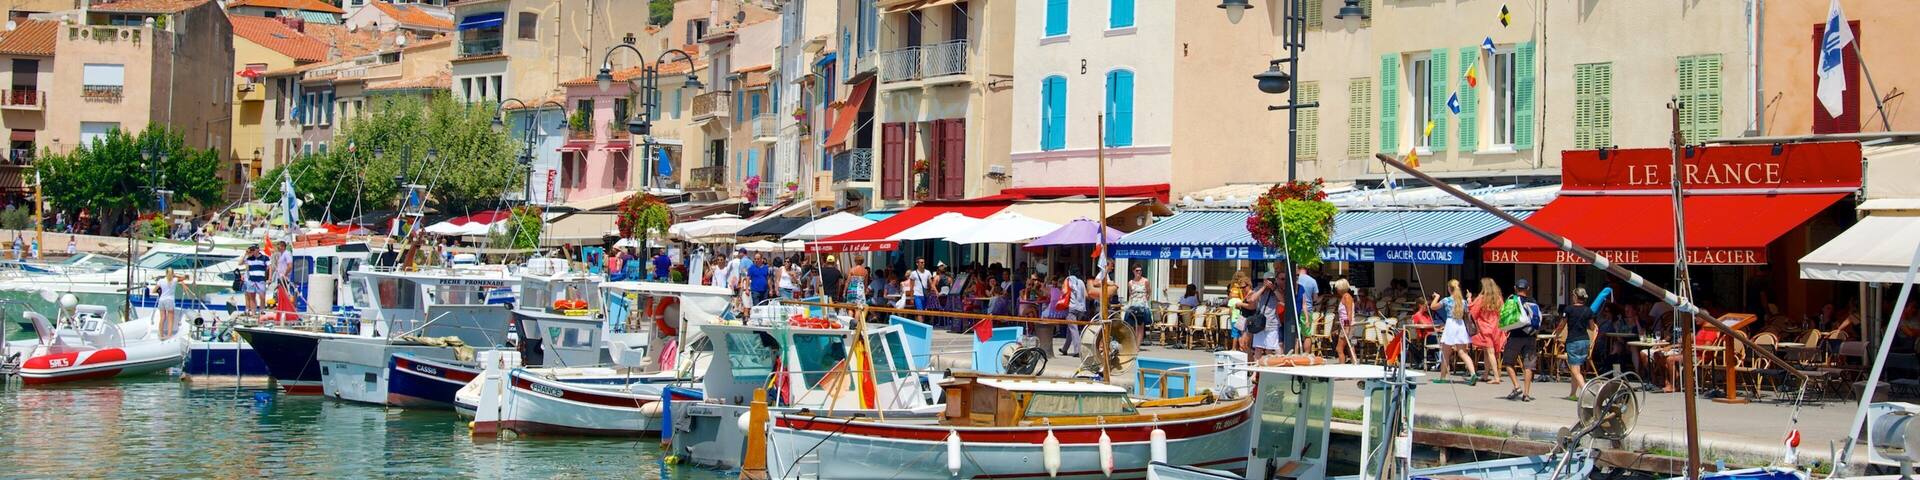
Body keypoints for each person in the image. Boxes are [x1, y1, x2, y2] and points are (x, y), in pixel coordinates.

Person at [1502, 278, 1543, 402]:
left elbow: (1505, 316)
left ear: (1515, 288)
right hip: (1530, 337)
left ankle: (1516, 386)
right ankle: (1526, 394)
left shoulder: (1511, 300)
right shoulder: (1533, 301)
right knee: (1528, 366)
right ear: (1528, 289)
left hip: (1515, 336)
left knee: (1508, 362)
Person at [1431, 280, 1476, 385]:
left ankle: (1443, 377)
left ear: (1449, 289)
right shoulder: (1463, 301)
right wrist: (1469, 299)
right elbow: (1468, 310)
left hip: (1451, 325)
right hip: (1460, 325)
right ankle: (1473, 373)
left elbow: (1433, 306)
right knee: (1463, 352)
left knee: (1446, 353)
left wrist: (1437, 296)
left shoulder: (1446, 300)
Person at [1563, 287, 1599, 398]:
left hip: (1573, 341)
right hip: (1585, 341)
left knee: (1575, 370)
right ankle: (1573, 394)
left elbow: (1562, 324)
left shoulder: (1568, 309)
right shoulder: (1588, 310)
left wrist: (1556, 334)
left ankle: (1586, 392)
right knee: (1576, 368)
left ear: (1575, 297)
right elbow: (1592, 327)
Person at [1471, 278, 1506, 385]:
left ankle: (1496, 377)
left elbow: (1473, 313)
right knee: (1489, 352)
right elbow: (1502, 313)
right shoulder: (1499, 299)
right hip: (1496, 328)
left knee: (1490, 352)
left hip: (1485, 328)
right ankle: (1486, 374)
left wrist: (1469, 301)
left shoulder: (1481, 298)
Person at [1063, 266, 1086, 357]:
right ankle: (1065, 348)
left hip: (1072, 308)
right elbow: (1086, 295)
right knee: (1071, 328)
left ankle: (1077, 350)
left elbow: (1064, 291)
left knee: (1074, 329)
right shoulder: (1081, 282)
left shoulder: (1069, 279)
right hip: (1081, 309)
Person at [1125, 267, 1152, 344]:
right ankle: (1133, 343)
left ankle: (1138, 345)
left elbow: (1149, 291)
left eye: (1140, 270)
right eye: (1137, 270)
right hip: (1133, 303)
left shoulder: (1145, 281)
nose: (1139, 272)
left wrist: (1146, 299)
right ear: (1133, 271)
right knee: (1131, 324)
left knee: (1141, 325)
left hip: (1142, 304)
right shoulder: (1130, 282)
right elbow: (1130, 293)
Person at [1331, 279, 1355, 363]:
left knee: (1339, 348)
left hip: (1347, 325)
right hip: (1345, 325)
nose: (1336, 289)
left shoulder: (1346, 297)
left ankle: (1342, 366)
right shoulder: (1344, 296)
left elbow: (1349, 313)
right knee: (1350, 347)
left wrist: (1347, 327)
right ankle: (1354, 364)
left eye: (1337, 288)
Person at [1229, 270, 1252, 352]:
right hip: (1241, 313)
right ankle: (1243, 348)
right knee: (1243, 333)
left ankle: (1237, 348)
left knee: (1239, 333)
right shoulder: (1242, 289)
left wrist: (1241, 304)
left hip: (1240, 313)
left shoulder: (1234, 288)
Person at [242, 245, 270, 315]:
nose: (252, 251)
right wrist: (246, 253)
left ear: (258, 250)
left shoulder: (265, 258)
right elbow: (241, 262)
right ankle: (254, 313)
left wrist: (269, 278)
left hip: (261, 279)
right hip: (251, 279)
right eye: (252, 250)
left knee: (262, 297)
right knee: (252, 297)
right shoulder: (249, 258)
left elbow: (269, 268)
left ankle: (262, 311)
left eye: (254, 249)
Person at [156, 268, 183, 338]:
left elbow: (154, 290)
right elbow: (184, 277)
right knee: (170, 319)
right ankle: (169, 335)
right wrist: (175, 275)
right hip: (170, 300)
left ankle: (161, 335)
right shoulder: (174, 280)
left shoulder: (161, 281)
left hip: (161, 300)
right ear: (172, 273)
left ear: (166, 273)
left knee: (162, 318)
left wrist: (160, 291)